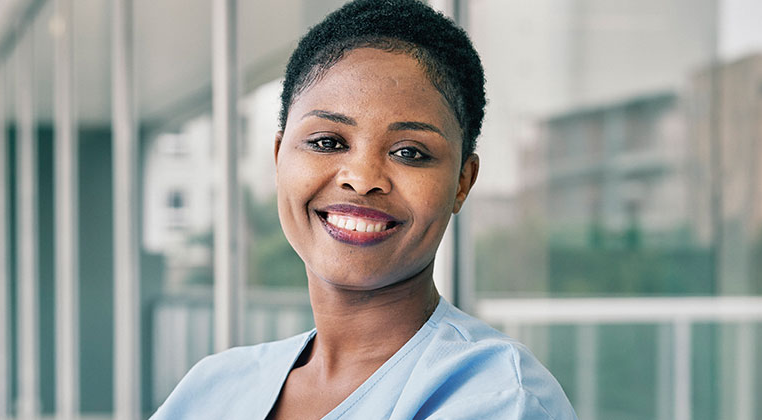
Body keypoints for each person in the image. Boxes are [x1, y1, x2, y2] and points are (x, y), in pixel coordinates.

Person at [151, 0, 577, 418]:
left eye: (410, 151)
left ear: (463, 181)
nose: (361, 177)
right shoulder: (214, 387)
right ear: (280, 157)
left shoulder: (496, 397)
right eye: (326, 142)